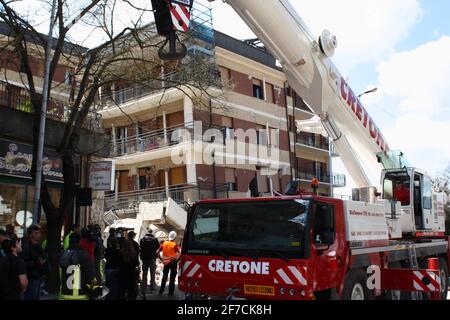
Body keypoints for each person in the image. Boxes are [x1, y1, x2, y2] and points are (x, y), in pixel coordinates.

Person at [59, 233, 98, 300]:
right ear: (80, 241)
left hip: (64, 294)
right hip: (81, 295)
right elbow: (91, 275)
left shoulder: (63, 255)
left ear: (69, 241)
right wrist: (94, 291)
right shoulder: (84, 255)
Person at [20, 225, 46, 300]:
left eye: (39, 232)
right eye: (36, 233)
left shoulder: (38, 246)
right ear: (30, 235)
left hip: (38, 276)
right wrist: (37, 262)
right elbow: (24, 263)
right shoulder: (27, 247)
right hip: (31, 277)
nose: (39, 234)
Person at [157, 231, 181, 297]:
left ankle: (161, 291)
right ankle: (170, 293)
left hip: (166, 263)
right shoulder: (175, 244)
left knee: (164, 277)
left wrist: (162, 259)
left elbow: (157, 252)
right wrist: (177, 259)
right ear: (175, 237)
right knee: (172, 278)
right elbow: (180, 252)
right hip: (173, 262)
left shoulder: (164, 243)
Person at [140, 228, 160, 292]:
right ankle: (152, 288)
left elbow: (141, 247)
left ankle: (144, 288)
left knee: (144, 274)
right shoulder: (155, 239)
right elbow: (158, 247)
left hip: (145, 258)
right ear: (152, 233)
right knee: (152, 273)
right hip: (152, 259)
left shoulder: (142, 239)